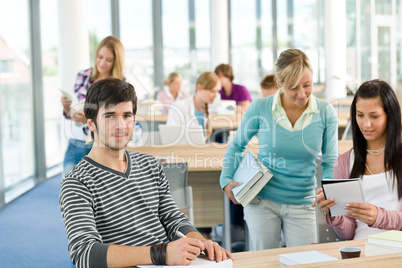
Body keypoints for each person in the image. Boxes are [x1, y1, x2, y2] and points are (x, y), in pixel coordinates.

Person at [59, 78, 233, 268]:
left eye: (126, 115)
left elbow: (172, 217)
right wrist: (161, 254)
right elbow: (84, 254)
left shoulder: (149, 164)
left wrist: (199, 242)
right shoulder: (76, 183)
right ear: (91, 123)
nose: (121, 125)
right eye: (110, 116)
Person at [220, 48, 339, 250]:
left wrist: (327, 189)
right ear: (280, 83)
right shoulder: (260, 108)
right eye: (293, 87)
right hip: (261, 200)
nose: (302, 94)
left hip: (303, 202)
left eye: (307, 85)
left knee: (305, 263)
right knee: (264, 262)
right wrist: (226, 179)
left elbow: (330, 161)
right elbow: (236, 146)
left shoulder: (325, 112)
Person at [316, 79, 402, 240]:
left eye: (374, 116)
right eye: (360, 115)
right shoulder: (344, 162)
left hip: (396, 250)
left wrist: (379, 217)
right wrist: (335, 215)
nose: (366, 124)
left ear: (390, 116)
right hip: (361, 251)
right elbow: (348, 232)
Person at [61, 35, 125, 177]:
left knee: (100, 194)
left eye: (108, 60)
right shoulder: (83, 76)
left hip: (103, 145)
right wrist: (67, 108)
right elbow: (73, 114)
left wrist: (92, 120)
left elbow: (118, 117)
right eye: (100, 57)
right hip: (77, 142)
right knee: (69, 189)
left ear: (116, 62)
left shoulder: (120, 84)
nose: (102, 63)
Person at [166, 72, 221, 138]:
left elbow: (200, 140)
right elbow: (170, 138)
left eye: (217, 91)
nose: (215, 95)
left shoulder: (207, 110)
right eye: (212, 91)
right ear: (199, 87)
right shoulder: (178, 107)